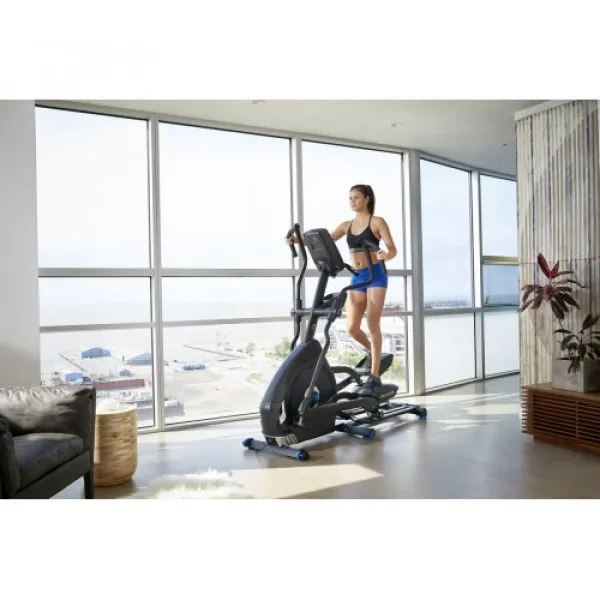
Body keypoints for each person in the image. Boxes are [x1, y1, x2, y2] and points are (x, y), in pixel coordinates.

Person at [287, 184, 398, 394]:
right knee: (352, 328)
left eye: (356, 197)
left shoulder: (377, 222)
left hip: (376, 275)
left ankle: (375, 376)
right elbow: (323, 240)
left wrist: (386, 255)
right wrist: (296, 240)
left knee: (372, 324)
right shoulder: (346, 225)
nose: (352, 201)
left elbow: (392, 249)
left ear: (367, 199)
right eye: (350, 198)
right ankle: (376, 353)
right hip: (358, 276)